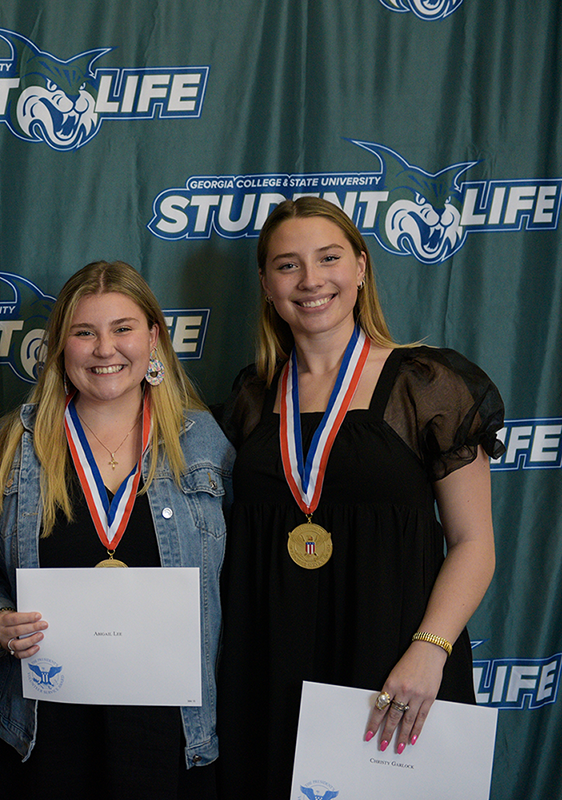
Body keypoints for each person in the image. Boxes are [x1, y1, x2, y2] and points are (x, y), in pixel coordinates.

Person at [216, 197, 502, 796]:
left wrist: (430, 652)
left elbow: (475, 544)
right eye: (288, 265)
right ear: (266, 284)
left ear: (363, 268)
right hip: (271, 662)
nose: (311, 280)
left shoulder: (429, 385)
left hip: (394, 660)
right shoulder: (251, 395)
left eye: (329, 258)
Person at [0, 261, 232, 798]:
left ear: (154, 337)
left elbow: (242, 577)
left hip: (169, 733)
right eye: (84, 332)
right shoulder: (12, 445)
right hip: (44, 729)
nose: (104, 349)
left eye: (123, 329)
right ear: (61, 347)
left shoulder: (203, 441)